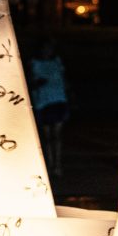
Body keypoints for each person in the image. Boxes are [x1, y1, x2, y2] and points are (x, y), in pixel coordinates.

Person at [28, 36, 70, 177]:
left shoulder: (57, 62)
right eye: (45, 48)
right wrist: (37, 84)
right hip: (43, 101)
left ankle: (57, 165)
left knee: (57, 135)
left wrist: (69, 95)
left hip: (58, 99)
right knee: (47, 137)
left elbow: (64, 79)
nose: (47, 50)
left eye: (49, 48)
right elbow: (31, 82)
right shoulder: (34, 63)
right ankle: (50, 165)